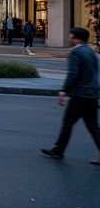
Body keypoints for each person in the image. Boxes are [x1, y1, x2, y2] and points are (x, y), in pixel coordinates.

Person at [40, 27, 100, 164]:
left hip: (80, 94)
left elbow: (73, 74)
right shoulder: (91, 52)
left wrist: (64, 90)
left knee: (68, 122)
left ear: (76, 37)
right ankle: (58, 149)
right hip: (92, 94)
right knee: (93, 126)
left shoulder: (76, 53)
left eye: (71, 35)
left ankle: (58, 150)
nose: (69, 37)